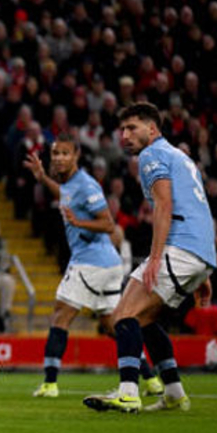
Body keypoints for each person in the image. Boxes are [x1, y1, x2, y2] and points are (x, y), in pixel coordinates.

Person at [84, 103, 215, 413]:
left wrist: (156, 257)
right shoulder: (181, 156)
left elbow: (164, 205)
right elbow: (197, 207)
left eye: (132, 128)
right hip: (198, 250)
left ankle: (128, 392)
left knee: (123, 316)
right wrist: (203, 269)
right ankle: (173, 393)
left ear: (152, 129)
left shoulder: (151, 154)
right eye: (122, 130)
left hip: (179, 247)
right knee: (146, 319)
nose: (125, 135)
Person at [24, 134, 163, 398]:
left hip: (90, 263)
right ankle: (151, 379)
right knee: (114, 326)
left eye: (65, 153)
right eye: (55, 153)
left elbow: (108, 224)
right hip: (108, 265)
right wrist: (42, 178)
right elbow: (64, 195)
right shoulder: (70, 184)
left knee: (61, 316)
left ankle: (50, 384)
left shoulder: (86, 186)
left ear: (76, 156)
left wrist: (79, 223)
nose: (59, 158)